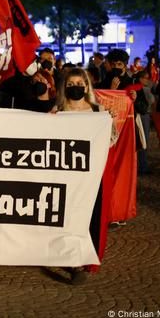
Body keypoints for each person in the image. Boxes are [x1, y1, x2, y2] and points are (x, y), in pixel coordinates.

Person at [55, 67, 107, 285]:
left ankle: (83, 257)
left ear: (86, 86)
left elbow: (109, 142)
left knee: (88, 217)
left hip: (91, 176)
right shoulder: (57, 110)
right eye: (70, 85)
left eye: (79, 84)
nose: (75, 88)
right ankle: (71, 261)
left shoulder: (98, 111)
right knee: (66, 218)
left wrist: (108, 124)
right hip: (65, 176)